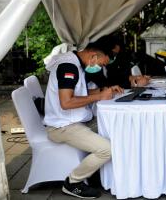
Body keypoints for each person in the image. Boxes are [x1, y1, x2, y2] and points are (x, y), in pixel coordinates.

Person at [43, 42, 123, 198]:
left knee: (116, 130)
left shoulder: (76, 63)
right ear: (93, 56)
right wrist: (99, 96)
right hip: (62, 126)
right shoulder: (68, 67)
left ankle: (102, 173)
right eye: (101, 64)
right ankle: (73, 183)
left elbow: (79, 91)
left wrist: (103, 90)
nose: (100, 68)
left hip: (75, 119)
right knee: (107, 149)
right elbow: (66, 103)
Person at [85, 35, 150, 89]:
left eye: (116, 55)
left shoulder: (110, 65)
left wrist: (132, 78)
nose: (114, 58)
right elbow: (105, 86)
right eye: (113, 55)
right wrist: (134, 83)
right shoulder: (92, 66)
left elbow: (115, 78)